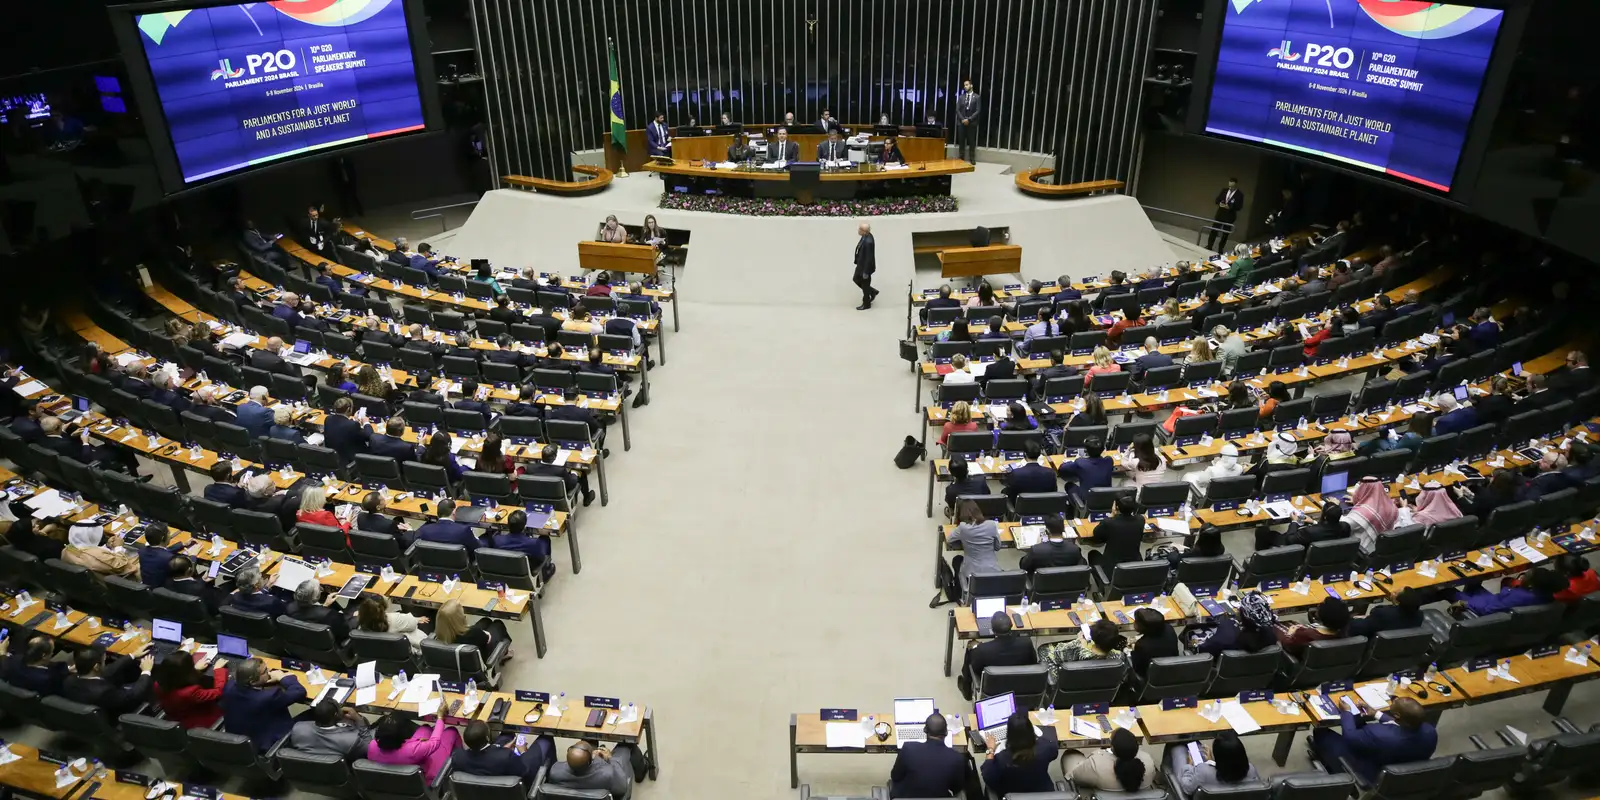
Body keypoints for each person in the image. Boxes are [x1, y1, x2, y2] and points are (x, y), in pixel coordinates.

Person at [1312, 697, 1436, 784]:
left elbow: (1350, 737)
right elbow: (1405, 725)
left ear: (1397, 715)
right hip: (1401, 768)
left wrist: (1347, 712)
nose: (1394, 699)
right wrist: (1376, 714)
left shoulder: (1379, 735)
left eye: (1395, 701)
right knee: (1359, 722)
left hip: (1370, 770)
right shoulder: (1430, 732)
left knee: (1321, 733)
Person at [959, 612, 1036, 700]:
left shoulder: (983, 650)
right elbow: (1033, 662)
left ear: (992, 630)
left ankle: (967, 689)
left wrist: (976, 647)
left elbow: (975, 669)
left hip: (993, 691)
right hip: (1021, 688)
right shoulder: (1026, 643)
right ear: (1011, 625)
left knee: (970, 649)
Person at [981, 710, 1059, 796]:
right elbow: (1054, 753)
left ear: (1009, 735)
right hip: (1042, 795)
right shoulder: (1045, 747)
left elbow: (987, 775)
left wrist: (990, 749)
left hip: (1012, 795)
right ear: (1031, 732)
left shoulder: (1002, 759)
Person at [367, 712, 460, 783]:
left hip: (394, 782)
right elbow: (435, 743)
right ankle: (460, 760)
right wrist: (440, 718)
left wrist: (416, 743)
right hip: (423, 777)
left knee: (426, 728)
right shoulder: (412, 750)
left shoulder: (372, 746)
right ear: (403, 736)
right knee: (451, 731)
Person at [888, 714, 965, 798]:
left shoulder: (908, 748)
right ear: (946, 732)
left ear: (925, 730)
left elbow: (895, 776)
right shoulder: (957, 758)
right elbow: (956, 788)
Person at [453, 720, 553, 784]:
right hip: (516, 784)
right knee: (546, 739)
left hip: (479, 791)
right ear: (487, 737)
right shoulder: (506, 757)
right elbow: (526, 773)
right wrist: (523, 752)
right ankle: (551, 778)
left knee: (507, 734)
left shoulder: (458, 757)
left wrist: (498, 749)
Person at [63, 647, 154, 717]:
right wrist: (146, 671)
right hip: (116, 715)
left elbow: (107, 671)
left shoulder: (68, 680)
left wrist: (132, 655)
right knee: (150, 682)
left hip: (92, 713)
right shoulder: (105, 692)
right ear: (96, 667)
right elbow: (133, 696)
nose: (105, 663)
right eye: (104, 661)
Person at [153, 650, 229, 729]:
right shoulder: (189, 692)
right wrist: (218, 669)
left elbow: (176, 677)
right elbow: (218, 692)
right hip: (198, 722)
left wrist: (195, 669)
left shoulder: (157, 684)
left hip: (175, 717)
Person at [1170, 731, 1258, 799]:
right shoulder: (1251, 770)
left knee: (1176, 748)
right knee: (1198, 747)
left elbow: (1187, 787)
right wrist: (1211, 762)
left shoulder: (1203, 771)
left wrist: (1189, 765)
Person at [1444, 567, 1564, 615]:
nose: (1522, 576)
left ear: (1532, 584)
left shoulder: (1518, 597)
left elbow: (1488, 609)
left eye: (1526, 576)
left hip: (1482, 607)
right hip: (1496, 599)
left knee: (1447, 590)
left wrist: (1464, 603)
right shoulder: (1547, 596)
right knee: (1475, 583)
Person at [1190, 591, 1279, 655]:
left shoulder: (1227, 636)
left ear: (1243, 615)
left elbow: (1203, 651)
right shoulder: (1272, 636)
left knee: (1191, 632)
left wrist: (1194, 643)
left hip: (1218, 672)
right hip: (1255, 676)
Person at [1069, 727, 1156, 791]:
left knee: (1070, 755)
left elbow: (1076, 777)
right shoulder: (1148, 761)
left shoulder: (1097, 764)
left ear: (1113, 748)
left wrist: (1098, 753)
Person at [289, 698, 373, 759]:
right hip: (339, 774)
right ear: (336, 715)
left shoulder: (298, 728)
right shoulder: (351, 740)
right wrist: (359, 720)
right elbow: (370, 750)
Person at [947, 500, 1000, 591]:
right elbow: (997, 547)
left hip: (971, 571)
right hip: (992, 569)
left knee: (957, 560)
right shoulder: (992, 525)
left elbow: (949, 539)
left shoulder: (963, 528)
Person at [431, 598, 511, 656]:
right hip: (479, 655)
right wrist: (485, 633)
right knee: (497, 624)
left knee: (485, 620)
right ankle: (505, 653)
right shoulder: (473, 632)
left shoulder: (439, 633)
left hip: (458, 656)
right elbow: (488, 638)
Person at [1276, 596, 1350, 656]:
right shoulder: (1345, 633)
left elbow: (1288, 645)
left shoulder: (1305, 634)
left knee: (1275, 627)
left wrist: (1289, 634)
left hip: (1298, 660)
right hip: (1324, 663)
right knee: (1292, 623)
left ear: (1322, 615)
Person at [63, 522, 139, 579]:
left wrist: (107, 546)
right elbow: (120, 566)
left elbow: (91, 553)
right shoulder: (97, 556)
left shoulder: (67, 550)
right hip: (114, 581)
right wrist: (118, 547)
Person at [1089, 496, 1145, 572]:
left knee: (1092, 554)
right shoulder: (1141, 520)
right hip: (1134, 565)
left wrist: (1111, 515)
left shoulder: (1109, 522)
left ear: (1116, 507)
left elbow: (1096, 534)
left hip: (1113, 568)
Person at [357, 594, 427, 651]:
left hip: (384, 653)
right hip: (413, 649)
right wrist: (417, 619)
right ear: (383, 607)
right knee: (428, 619)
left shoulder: (361, 626)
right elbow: (413, 624)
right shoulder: (394, 619)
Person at [413, 499, 480, 556]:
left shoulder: (424, 530)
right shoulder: (464, 530)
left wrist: (409, 530)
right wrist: (475, 537)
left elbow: (416, 541)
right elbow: (477, 548)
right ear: (454, 512)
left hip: (433, 565)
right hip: (459, 565)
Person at [1057, 435, 1115, 501]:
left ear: (1086, 451)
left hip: (1087, 501)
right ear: (1103, 450)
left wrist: (1075, 460)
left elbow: (1062, 469)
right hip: (1107, 499)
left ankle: (1073, 510)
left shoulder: (1081, 462)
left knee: (1069, 485)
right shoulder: (1109, 460)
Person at [1350, 588, 1425, 637]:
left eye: (1395, 593)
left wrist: (1353, 619)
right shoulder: (1419, 615)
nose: (1392, 592)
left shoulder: (1383, 614)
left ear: (1397, 602)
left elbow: (1357, 628)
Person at [1130, 607, 1180, 676]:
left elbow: (1138, 669)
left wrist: (1133, 649)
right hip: (1174, 669)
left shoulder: (1141, 645)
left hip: (1152, 676)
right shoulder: (1169, 628)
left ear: (1142, 627)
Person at [322, 397, 370, 463]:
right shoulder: (352, 425)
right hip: (351, 458)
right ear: (348, 409)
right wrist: (366, 422)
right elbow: (368, 436)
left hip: (334, 456)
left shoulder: (328, 419)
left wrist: (354, 421)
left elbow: (342, 427)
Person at [1207, 178, 1245, 251]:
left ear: (1236, 185)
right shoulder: (1224, 190)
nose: (1230, 188)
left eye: (1232, 187)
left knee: (1225, 234)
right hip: (1220, 215)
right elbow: (1217, 200)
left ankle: (1220, 249)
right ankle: (1209, 246)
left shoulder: (1239, 195)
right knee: (1214, 231)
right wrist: (1220, 203)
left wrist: (1230, 207)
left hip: (1229, 217)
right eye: (1229, 186)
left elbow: (1239, 207)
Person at [137, 522, 179, 589]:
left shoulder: (142, 551)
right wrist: (192, 557)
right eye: (169, 533)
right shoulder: (169, 558)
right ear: (163, 538)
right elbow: (181, 574)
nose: (170, 536)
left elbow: (161, 552)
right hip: (164, 590)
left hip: (147, 587)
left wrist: (182, 545)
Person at [853, 222, 878, 310]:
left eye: (859, 229)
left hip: (865, 268)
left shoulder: (868, 242)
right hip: (861, 264)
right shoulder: (865, 236)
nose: (858, 230)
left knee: (865, 286)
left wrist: (866, 272)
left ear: (863, 231)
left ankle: (866, 304)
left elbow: (869, 258)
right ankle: (872, 291)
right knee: (856, 279)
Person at [955, 78, 980, 163]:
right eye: (964, 85)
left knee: (971, 141)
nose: (965, 87)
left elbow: (978, 110)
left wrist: (969, 119)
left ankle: (972, 158)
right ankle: (961, 157)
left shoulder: (977, 97)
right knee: (961, 141)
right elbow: (957, 110)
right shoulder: (961, 97)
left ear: (971, 85)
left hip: (971, 123)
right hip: (961, 123)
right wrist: (963, 119)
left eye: (967, 85)